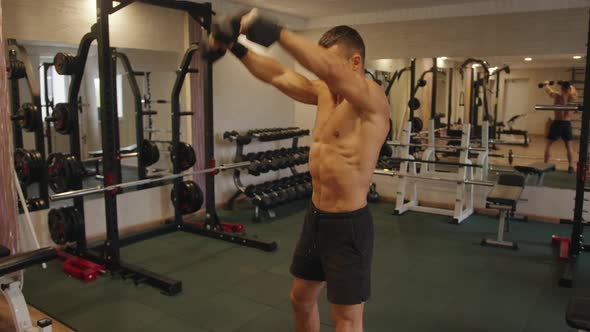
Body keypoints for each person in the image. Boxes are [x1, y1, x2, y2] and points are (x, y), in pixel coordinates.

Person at [209, 9, 390, 332]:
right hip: (316, 217)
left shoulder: (371, 100)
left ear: (355, 62)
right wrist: (234, 47)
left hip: (348, 225)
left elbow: (327, 69)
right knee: (301, 299)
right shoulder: (324, 93)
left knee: (346, 320)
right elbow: (279, 75)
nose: (326, 75)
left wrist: (275, 31)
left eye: (331, 65)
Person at [541, 80, 578, 173]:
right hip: (566, 124)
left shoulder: (557, 95)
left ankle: (545, 165)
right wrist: (568, 85)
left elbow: (548, 90)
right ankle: (571, 167)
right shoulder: (573, 97)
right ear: (569, 88)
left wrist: (546, 84)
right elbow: (573, 89)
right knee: (569, 146)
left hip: (557, 123)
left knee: (548, 145)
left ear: (561, 89)